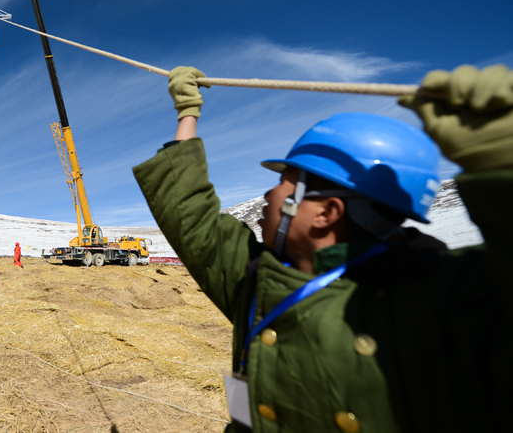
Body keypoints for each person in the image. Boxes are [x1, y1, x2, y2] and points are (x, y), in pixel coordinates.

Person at [133, 64, 513, 432]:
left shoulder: (450, 292)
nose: (267, 194)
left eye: (283, 183)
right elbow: (187, 209)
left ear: (326, 212)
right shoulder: (259, 276)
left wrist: (500, 163)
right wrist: (187, 113)